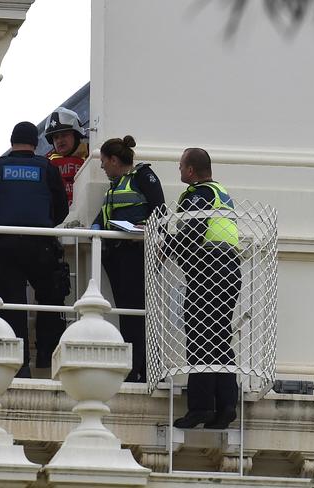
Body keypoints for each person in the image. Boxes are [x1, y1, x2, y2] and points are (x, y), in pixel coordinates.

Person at [0, 121, 69, 377]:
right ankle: (46, 358)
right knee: (50, 300)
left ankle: (20, 367)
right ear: (34, 142)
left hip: (6, 245)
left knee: (12, 304)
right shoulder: (47, 168)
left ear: (12, 141)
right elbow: (61, 208)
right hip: (40, 243)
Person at [169, 148, 242, 430]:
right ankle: (225, 406)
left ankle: (200, 408)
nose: (179, 171)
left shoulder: (196, 194)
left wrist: (163, 244)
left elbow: (191, 234)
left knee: (199, 335)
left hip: (206, 268)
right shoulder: (221, 191)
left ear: (190, 170)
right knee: (220, 338)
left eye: (180, 167)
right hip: (229, 268)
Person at [92, 135, 165, 383]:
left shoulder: (143, 177)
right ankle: (134, 368)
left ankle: (141, 370)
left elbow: (159, 211)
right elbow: (104, 216)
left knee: (136, 312)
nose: (101, 166)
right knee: (127, 312)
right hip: (117, 256)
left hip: (136, 254)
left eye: (103, 161)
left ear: (114, 160)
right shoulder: (115, 186)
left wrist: (144, 229)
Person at [44, 107, 89, 206]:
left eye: (64, 135)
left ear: (76, 135)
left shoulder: (92, 157)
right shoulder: (46, 164)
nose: (59, 141)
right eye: (56, 137)